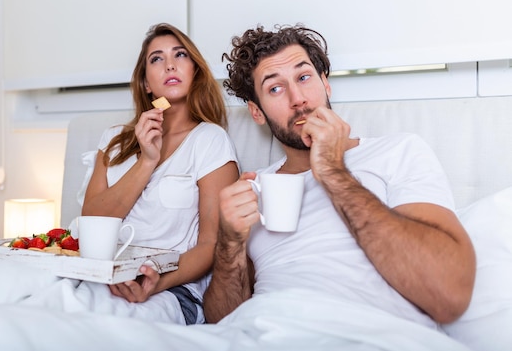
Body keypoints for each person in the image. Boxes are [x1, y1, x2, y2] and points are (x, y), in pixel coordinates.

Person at [203, 24, 476, 328]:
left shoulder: (398, 151)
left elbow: (449, 293)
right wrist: (229, 243)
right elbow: (220, 322)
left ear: (326, 84)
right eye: (275, 88)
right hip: (264, 332)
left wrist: (333, 171)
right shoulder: (254, 187)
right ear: (257, 112)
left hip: (372, 333)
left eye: (304, 77)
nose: (298, 98)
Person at [80, 22, 239, 324]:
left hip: (170, 291)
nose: (169, 65)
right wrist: (146, 162)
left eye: (180, 55)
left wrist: (153, 283)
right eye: (157, 58)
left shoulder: (209, 140)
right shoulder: (114, 141)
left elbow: (211, 245)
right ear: (146, 85)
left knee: (93, 324)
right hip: (97, 277)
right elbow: (93, 221)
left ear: (195, 72)